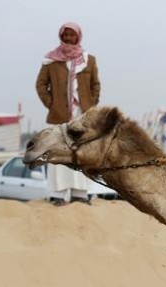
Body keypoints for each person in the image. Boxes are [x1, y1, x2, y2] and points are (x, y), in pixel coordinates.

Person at [36, 22, 101, 205]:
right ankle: (57, 195)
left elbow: (95, 85)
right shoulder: (51, 60)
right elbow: (41, 85)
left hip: (82, 117)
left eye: (72, 35)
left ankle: (79, 194)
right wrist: (52, 105)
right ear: (61, 36)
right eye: (65, 35)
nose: (68, 38)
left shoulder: (89, 60)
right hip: (59, 117)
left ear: (78, 36)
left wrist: (91, 105)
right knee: (58, 153)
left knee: (81, 154)